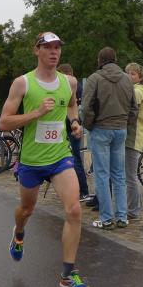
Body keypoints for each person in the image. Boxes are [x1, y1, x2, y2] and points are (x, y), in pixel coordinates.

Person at [0, 32, 90, 287]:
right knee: (27, 210)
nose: (54, 52)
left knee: (74, 210)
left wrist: (74, 122)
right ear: (36, 50)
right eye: (48, 47)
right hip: (31, 161)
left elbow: (71, 105)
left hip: (60, 157)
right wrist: (37, 113)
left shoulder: (69, 82)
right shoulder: (22, 84)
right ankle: (18, 234)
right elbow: (4, 123)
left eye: (57, 47)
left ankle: (68, 274)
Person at [81, 47, 137, 230]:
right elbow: (134, 107)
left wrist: (90, 125)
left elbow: (86, 107)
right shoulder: (127, 79)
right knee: (119, 175)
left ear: (100, 60)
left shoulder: (95, 79)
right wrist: (125, 123)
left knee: (102, 175)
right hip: (121, 129)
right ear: (116, 59)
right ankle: (122, 216)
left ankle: (106, 218)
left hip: (101, 129)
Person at [57, 63, 91, 202]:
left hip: (70, 126)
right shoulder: (80, 87)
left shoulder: (71, 87)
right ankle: (78, 190)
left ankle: (82, 190)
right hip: (74, 125)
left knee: (74, 158)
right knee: (73, 157)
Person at [124, 63, 143, 220]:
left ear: (140, 77)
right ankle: (136, 206)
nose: (129, 76)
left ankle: (133, 210)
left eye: (133, 74)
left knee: (130, 176)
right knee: (130, 175)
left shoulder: (138, 91)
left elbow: (131, 104)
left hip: (133, 138)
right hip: (131, 137)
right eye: (127, 73)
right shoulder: (134, 89)